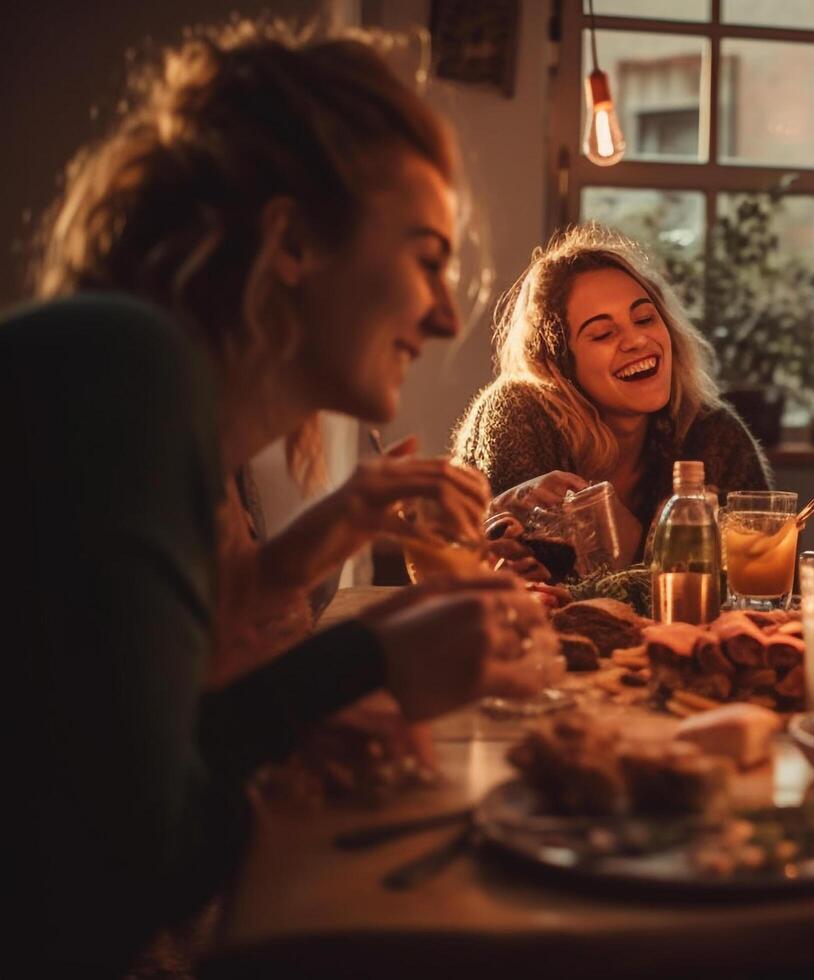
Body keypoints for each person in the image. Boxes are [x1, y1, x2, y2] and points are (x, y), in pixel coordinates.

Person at [6, 21, 549, 973]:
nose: (449, 312)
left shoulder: (156, 394)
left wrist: (290, 718)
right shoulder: (126, 374)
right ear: (293, 242)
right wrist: (362, 657)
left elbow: (111, 773)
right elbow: (131, 874)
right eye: (427, 255)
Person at [453, 224, 771, 575]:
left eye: (645, 318)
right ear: (561, 363)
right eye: (603, 333)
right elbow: (533, 576)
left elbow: (757, 572)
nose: (636, 340)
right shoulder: (517, 412)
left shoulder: (713, 432)